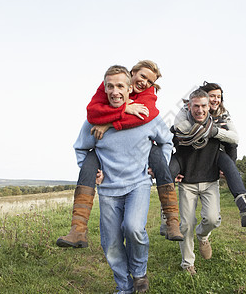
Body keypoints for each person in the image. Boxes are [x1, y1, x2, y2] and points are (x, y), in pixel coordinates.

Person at [56, 60, 183, 249]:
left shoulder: (147, 99)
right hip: (109, 168)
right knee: (89, 162)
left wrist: (108, 123)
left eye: (149, 81)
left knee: (158, 157)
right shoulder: (112, 88)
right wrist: (123, 108)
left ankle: (172, 221)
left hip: (144, 152)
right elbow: (93, 112)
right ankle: (78, 229)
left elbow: (147, 117)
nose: (144, 83)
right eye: (142, 76)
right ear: (132, 74)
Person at [73, 65, 173, 293]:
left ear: (129, 89)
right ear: (104, 88)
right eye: (110, 86)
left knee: (134, 228)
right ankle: (124, 288)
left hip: (138, 184)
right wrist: (92, 172)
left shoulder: (146, 115)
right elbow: (81, 148)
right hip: (108, 189)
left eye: (120, 86)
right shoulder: (94, 120)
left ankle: (139, 273)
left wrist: (158, 166)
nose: (115, 91)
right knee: (111, 244)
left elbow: (166, 142)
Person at [171, 82, 246, 228]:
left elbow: (234, 138)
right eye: (212, 96)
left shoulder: (223, 113)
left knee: (229, 160)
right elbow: (179, 127)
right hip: (188, 158)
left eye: (219, 97)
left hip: (214, 155)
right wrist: (204, 128)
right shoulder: (187, 110)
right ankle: (168, 218)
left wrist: (216, 132)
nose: (216, 100)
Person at [170, 88, 226, 275]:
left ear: (209, 106)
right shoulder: (179, 127)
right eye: (196, 106)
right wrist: (172, 169)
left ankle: (203, 235)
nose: (200, 110)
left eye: (204, 106)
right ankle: (188, 263)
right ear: (189, 106)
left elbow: (232, 145)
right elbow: (166, 147)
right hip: (187, 182)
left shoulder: (217, 126)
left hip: (210, 180)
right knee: (186, 224)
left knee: (212, 219)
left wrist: (227, 166)